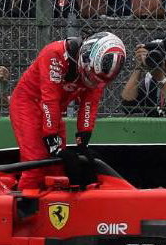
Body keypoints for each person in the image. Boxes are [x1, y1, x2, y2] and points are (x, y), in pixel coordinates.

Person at [8, 32, 127, 190]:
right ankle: (19, 208)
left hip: (54, 109)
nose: (93, 82)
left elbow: (90, 103)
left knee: (58, 169)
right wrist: (52, 141)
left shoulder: (98, 75)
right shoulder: (54, 54)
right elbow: (49, 99)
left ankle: (57, 207)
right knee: (36, 164)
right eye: (91, 77)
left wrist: (83, 138)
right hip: (28, 103)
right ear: (85, 58)